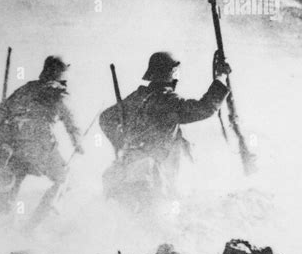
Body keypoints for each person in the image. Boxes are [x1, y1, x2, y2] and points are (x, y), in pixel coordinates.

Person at [99, 51, 231, 205]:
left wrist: (120, 143)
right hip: (152, 172)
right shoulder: (168, 101)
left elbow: (106, 118)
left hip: (128, 163)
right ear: (173, 73)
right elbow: (204, 108)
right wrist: (221, 78)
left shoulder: (137, 96)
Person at [0, 56, 84, 217]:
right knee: (64, 178)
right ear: (59, 72)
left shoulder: (25, 88)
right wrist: (77, 143)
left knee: (10, 187)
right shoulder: (57, 92)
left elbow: (1, 109)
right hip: (39, 143)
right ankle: (36, 222)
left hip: (12, 142)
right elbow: (70, 120)